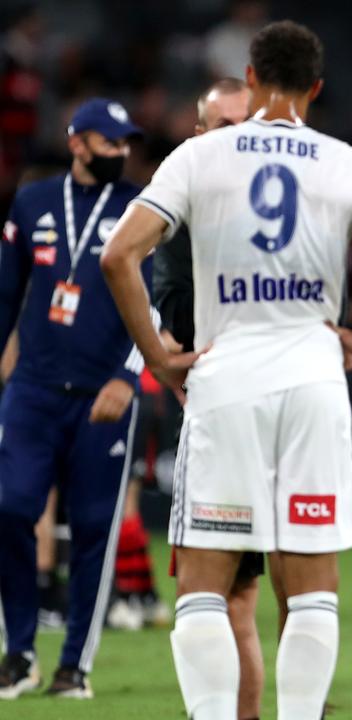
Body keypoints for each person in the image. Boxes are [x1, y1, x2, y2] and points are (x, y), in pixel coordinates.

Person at [101, 20, 352, 719]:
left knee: (204, 587)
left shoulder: (198, 158)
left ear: (252, 78)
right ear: (317, 88)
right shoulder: (344, 161)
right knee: (313, 588)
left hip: (226, 378)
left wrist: (159, 355)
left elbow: (119, 257)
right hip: (315, 380)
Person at [0, 97, 148, 700]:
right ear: (78, 142)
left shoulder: (141, 208)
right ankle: (19, 653)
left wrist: (129, 376)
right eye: (110, 142)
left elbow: (160, 297)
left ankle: (74, 667)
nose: (122, 152)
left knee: (93, 528)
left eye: (125, 143)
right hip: (33, 389)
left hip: (103, 394)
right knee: (10, 509)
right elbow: (5, 294)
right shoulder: (32, 202)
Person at [150, 76, 281, 720]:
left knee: (221, 599)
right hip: (237, 402)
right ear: (199, 136)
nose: (238, 138)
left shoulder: (285, 205)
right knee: (235, 604)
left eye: (246, 125)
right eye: (224, 127)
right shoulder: (185, 212)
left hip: (244, 417)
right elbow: (172, 306)